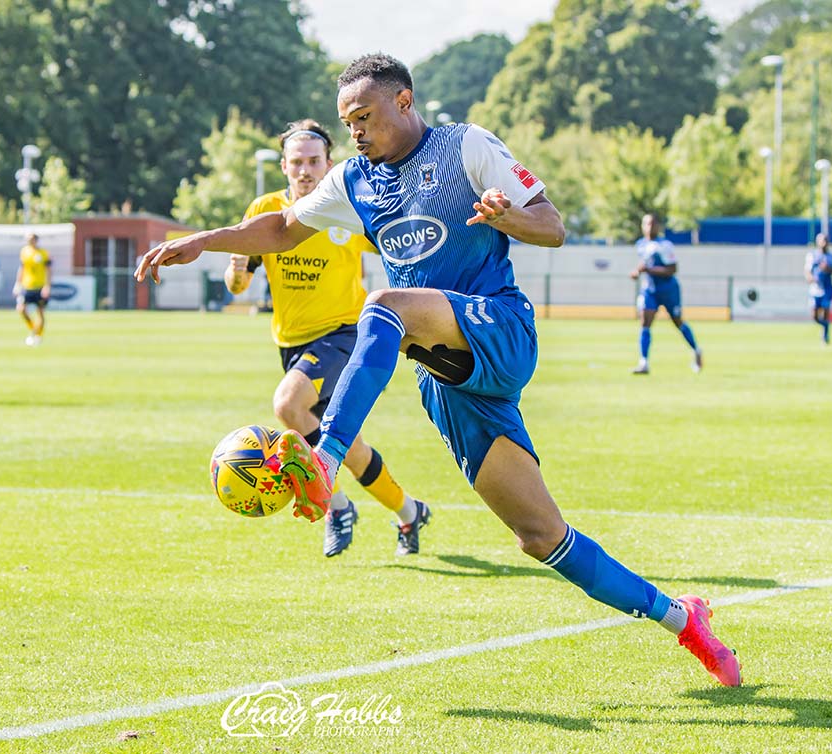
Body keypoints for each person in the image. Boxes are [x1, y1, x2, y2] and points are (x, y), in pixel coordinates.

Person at [136, 53, 741, 687]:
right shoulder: (353, 181)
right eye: (348, 123)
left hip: (499, 326)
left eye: (364, 117)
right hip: (446, 374)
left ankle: (327, 456)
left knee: (383, 305)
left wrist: (506, 216)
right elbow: (285, 228)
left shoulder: (467, 148)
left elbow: (553, 226)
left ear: (404, 101)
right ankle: (683, 619)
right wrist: (208, 238)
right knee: (539, 536)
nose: (357, 133)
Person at [225, 119, 431, 557]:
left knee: (287, 404)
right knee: (349, 449)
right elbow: (237, 283)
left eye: (313, 161)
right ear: (283, 166)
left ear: (328, 164)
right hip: (291, 344)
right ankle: (410, 511)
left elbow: (402, 243)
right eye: (296, 162)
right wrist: (237, 271)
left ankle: (336, 506)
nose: (305, 171)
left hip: (343, 335)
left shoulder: (348, 208)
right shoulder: (264, 209)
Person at [629, 215, 702, 375]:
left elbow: (671, 270)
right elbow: (644, 265)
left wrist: (648, 270)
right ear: (642, 226)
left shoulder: (665, 245)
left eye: (653, 224)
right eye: (647, 223)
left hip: (668, 289)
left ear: (658, 226)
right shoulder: (641, 245)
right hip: (650, 289)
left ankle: (696, 350)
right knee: (645, 321)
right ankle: (644, 362)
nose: (650, 227)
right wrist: (637, 272)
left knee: (677, 322)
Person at [14, 233, 51, 346]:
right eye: (28, 239)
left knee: (40, 313)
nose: (29, 241)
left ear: (36, 240)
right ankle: (34, 329)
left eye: (31, 239)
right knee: (21, 309)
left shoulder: (43, 253)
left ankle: (38, 336)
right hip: (27, 286)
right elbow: (22, 268)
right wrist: (17, 283)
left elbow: (48, 270)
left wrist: (47, 285)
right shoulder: (24, 252)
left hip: (40, 287)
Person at [804, 233, 832, 345]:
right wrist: (810, 278)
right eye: (821, 241)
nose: (823, 243)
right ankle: (825, 326)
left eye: (825, 240)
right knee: (815, 316)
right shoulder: (812, 256)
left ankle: (825, 335)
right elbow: (807, 271)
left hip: (827, 288)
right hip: (815, 289)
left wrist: (828, 269)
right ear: (817, 242)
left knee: (825, 312)